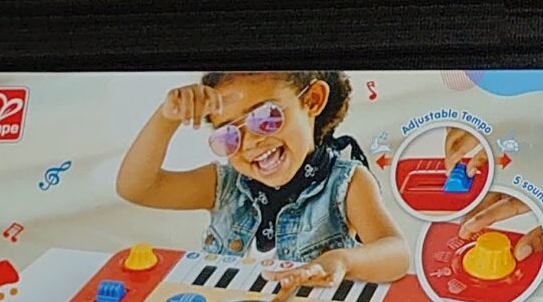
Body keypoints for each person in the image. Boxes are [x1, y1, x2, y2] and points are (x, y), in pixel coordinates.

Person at [113, 70, 408, 285]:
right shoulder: (224, 185)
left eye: (265, 117)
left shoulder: (345, 183)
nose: (250, 142)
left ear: (313, 100)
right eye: (229, 134)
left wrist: (344, 261)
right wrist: (167, 118)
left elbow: (397, 254)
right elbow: (136, 188)